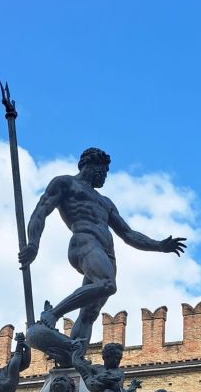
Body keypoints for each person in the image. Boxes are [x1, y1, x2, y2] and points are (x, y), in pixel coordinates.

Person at [19, 147, 186, 349]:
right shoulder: (65, 183)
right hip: (84, 242)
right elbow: (41, 211)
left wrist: (159, 246)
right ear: (90, 165)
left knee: (90, 313)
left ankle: (74, 354)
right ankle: (52, 314)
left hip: (107, 253)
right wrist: (34, 244)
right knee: (107, 283)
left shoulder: (105, 202)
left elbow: (128, 234)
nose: (105, 177)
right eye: (103, 171)